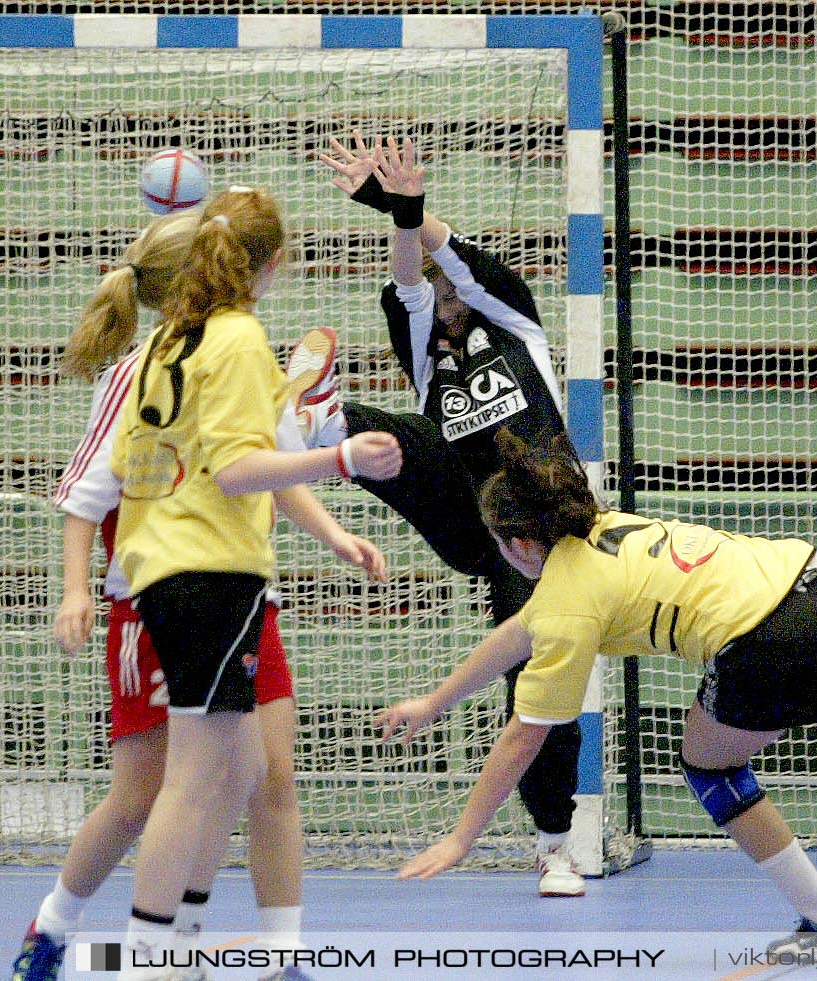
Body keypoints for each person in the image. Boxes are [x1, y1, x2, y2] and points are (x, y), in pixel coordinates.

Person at [378, 428, 817, 957]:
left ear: (520, 546)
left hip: (765, 637)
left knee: (709, 766)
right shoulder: (605, 527)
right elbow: (519, 631)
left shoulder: (565, 600)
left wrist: (461, 838)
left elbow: (521, 738)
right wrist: (436, 702)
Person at [11, 210, 387, 981]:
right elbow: (94, 490)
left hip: (243, 586)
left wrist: (336, 536)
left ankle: (260, 952)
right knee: (149, 793)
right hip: (161, 588)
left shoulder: (237, 354)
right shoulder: (153, 365)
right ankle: (66, 932)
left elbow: (271, 463)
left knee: (258, 771)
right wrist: (76, 587)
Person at [303, 133, 586, 896]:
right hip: (468, 513)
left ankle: (554, 844)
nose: (448, 301)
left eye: (455, 290)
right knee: (404, 432)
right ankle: (319, 424)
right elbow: (410, 275)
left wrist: (406, 205)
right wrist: (399, 223)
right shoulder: (430, 348)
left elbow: (450, 255)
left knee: (537, 680)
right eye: (440, 295)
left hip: (541, 530)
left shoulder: (518, 327)